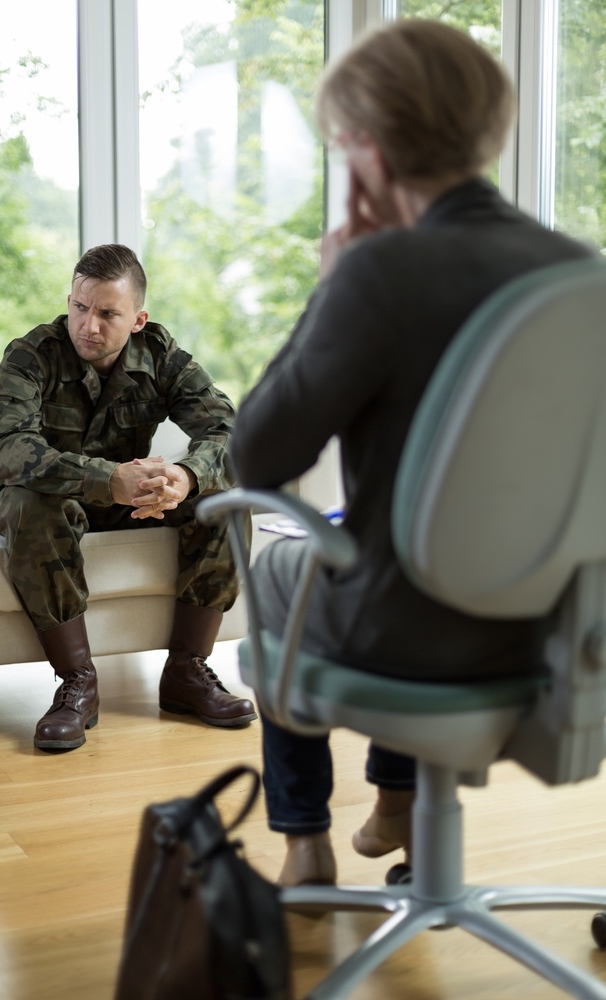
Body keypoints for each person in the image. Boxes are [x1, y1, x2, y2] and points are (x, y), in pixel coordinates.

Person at [229, 19, 597, 886]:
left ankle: (304, 843)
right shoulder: (576, 269)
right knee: (362, 552)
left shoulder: (379, 271)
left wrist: (329, 288)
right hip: (560, 632)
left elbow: (257, 456)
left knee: (283, 567)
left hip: (410, 637)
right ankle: (396, 804)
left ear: (365, 147)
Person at [0, 243, 256, 753]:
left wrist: (186, 478)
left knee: (225, 500)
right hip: (49, 503)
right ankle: (77, 685)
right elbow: (2, 451)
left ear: (138, 319)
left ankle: (186, 673)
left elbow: (233, 433)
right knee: (30, 503)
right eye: (80, 308)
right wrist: (107, 479)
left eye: (107, 313)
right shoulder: (31, 354)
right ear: (69, 301)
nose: (88, 325)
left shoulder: (161, 354)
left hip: (123, 507)